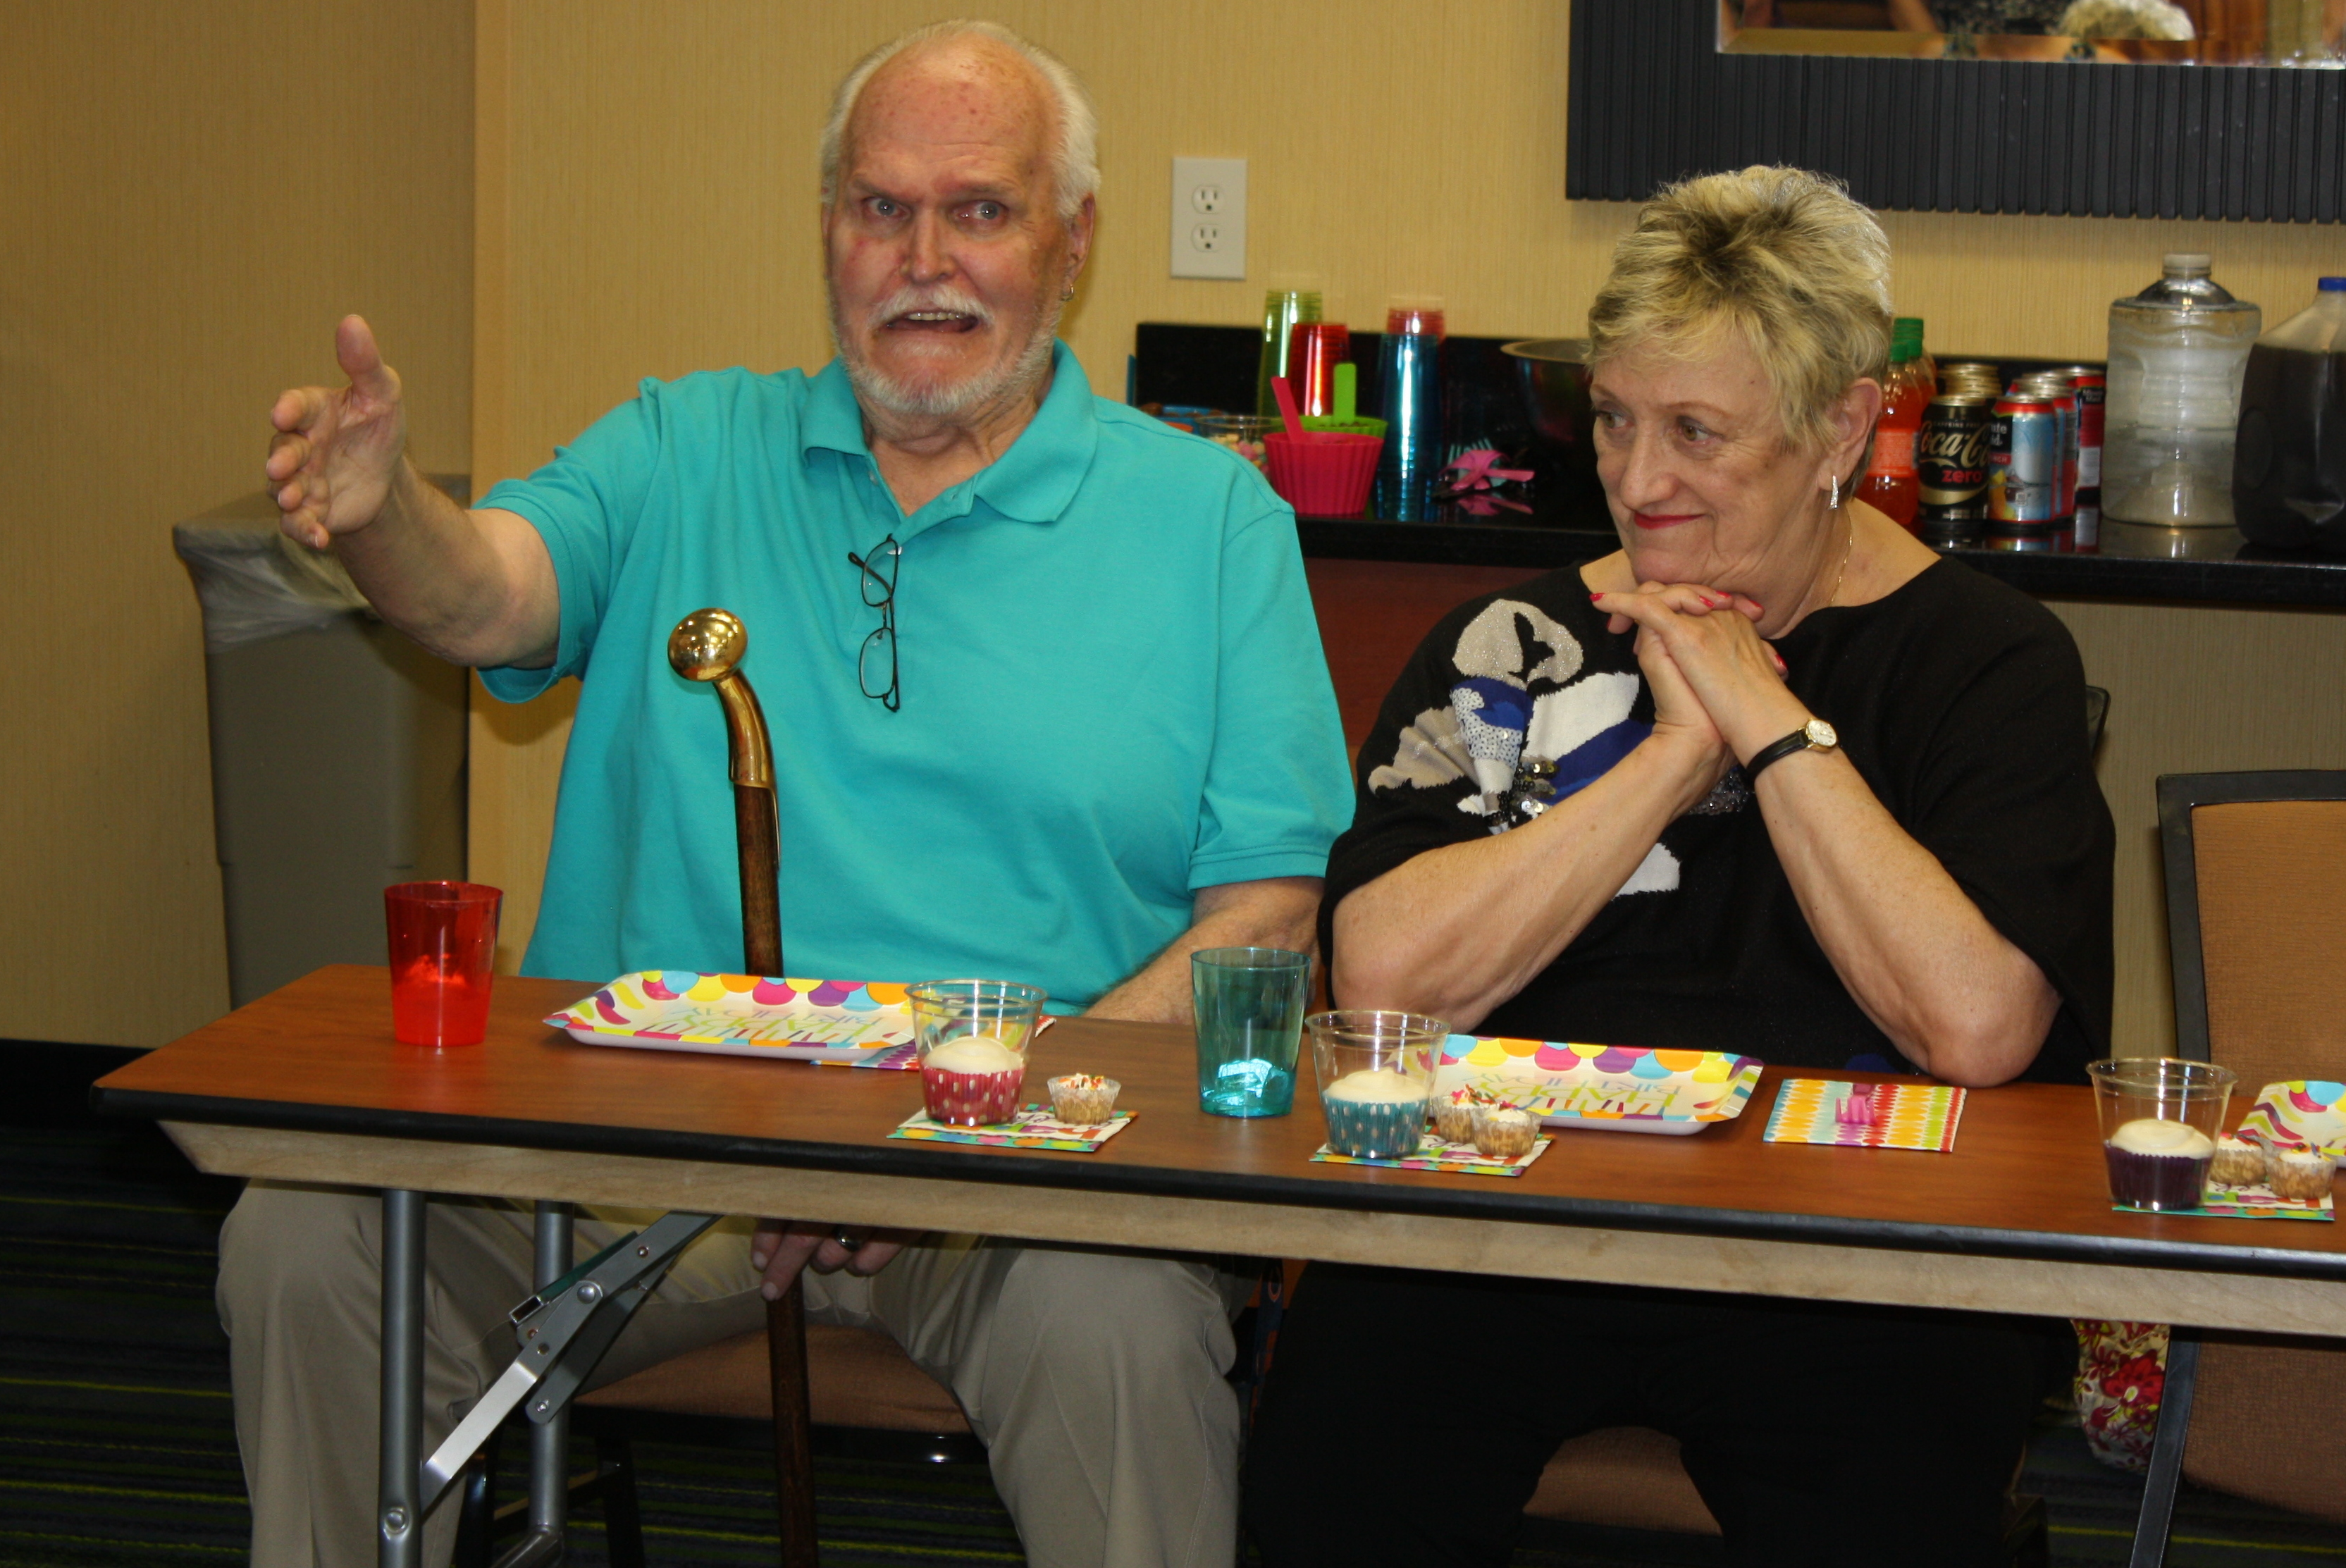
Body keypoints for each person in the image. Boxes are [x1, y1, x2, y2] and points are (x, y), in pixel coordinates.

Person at [223, 20, 1350, 1568]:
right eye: (880, 207)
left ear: (1072, 240)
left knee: (1124, 1330)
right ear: (828, 227)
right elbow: (487, 594)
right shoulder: (685, 447)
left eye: (978, 209)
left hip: (1019, 1181)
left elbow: (1267, 922)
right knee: (308, 1231)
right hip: (634, 1166)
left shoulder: (1210, 520)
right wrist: (380, 516)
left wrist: (969, 1120)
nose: (922, 260)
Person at [1242, 166, 2113, 1568]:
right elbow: (1382, 983)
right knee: (1331, 1461)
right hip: (1505, 1223)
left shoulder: (1986, 660)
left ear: (1839, 428)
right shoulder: (1509, 642)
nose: (1637, 482)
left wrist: (1762, 716)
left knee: (1891, 1491)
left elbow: (1976, 1024)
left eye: (1695, 432)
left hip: (1857, 1258)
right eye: (1613, 419)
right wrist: (1667, 751)